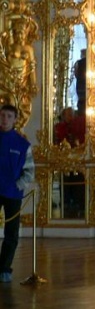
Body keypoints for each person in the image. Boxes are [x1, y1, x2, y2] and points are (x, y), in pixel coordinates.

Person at [0, 104, 34, 282]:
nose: (4, 119)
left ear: (14, 120)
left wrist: (18, 185)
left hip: (13, 193)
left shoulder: (22, 144)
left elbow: (29, 171)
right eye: (2, 115)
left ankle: (5, 267)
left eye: (8, 116)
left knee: (11, 232)